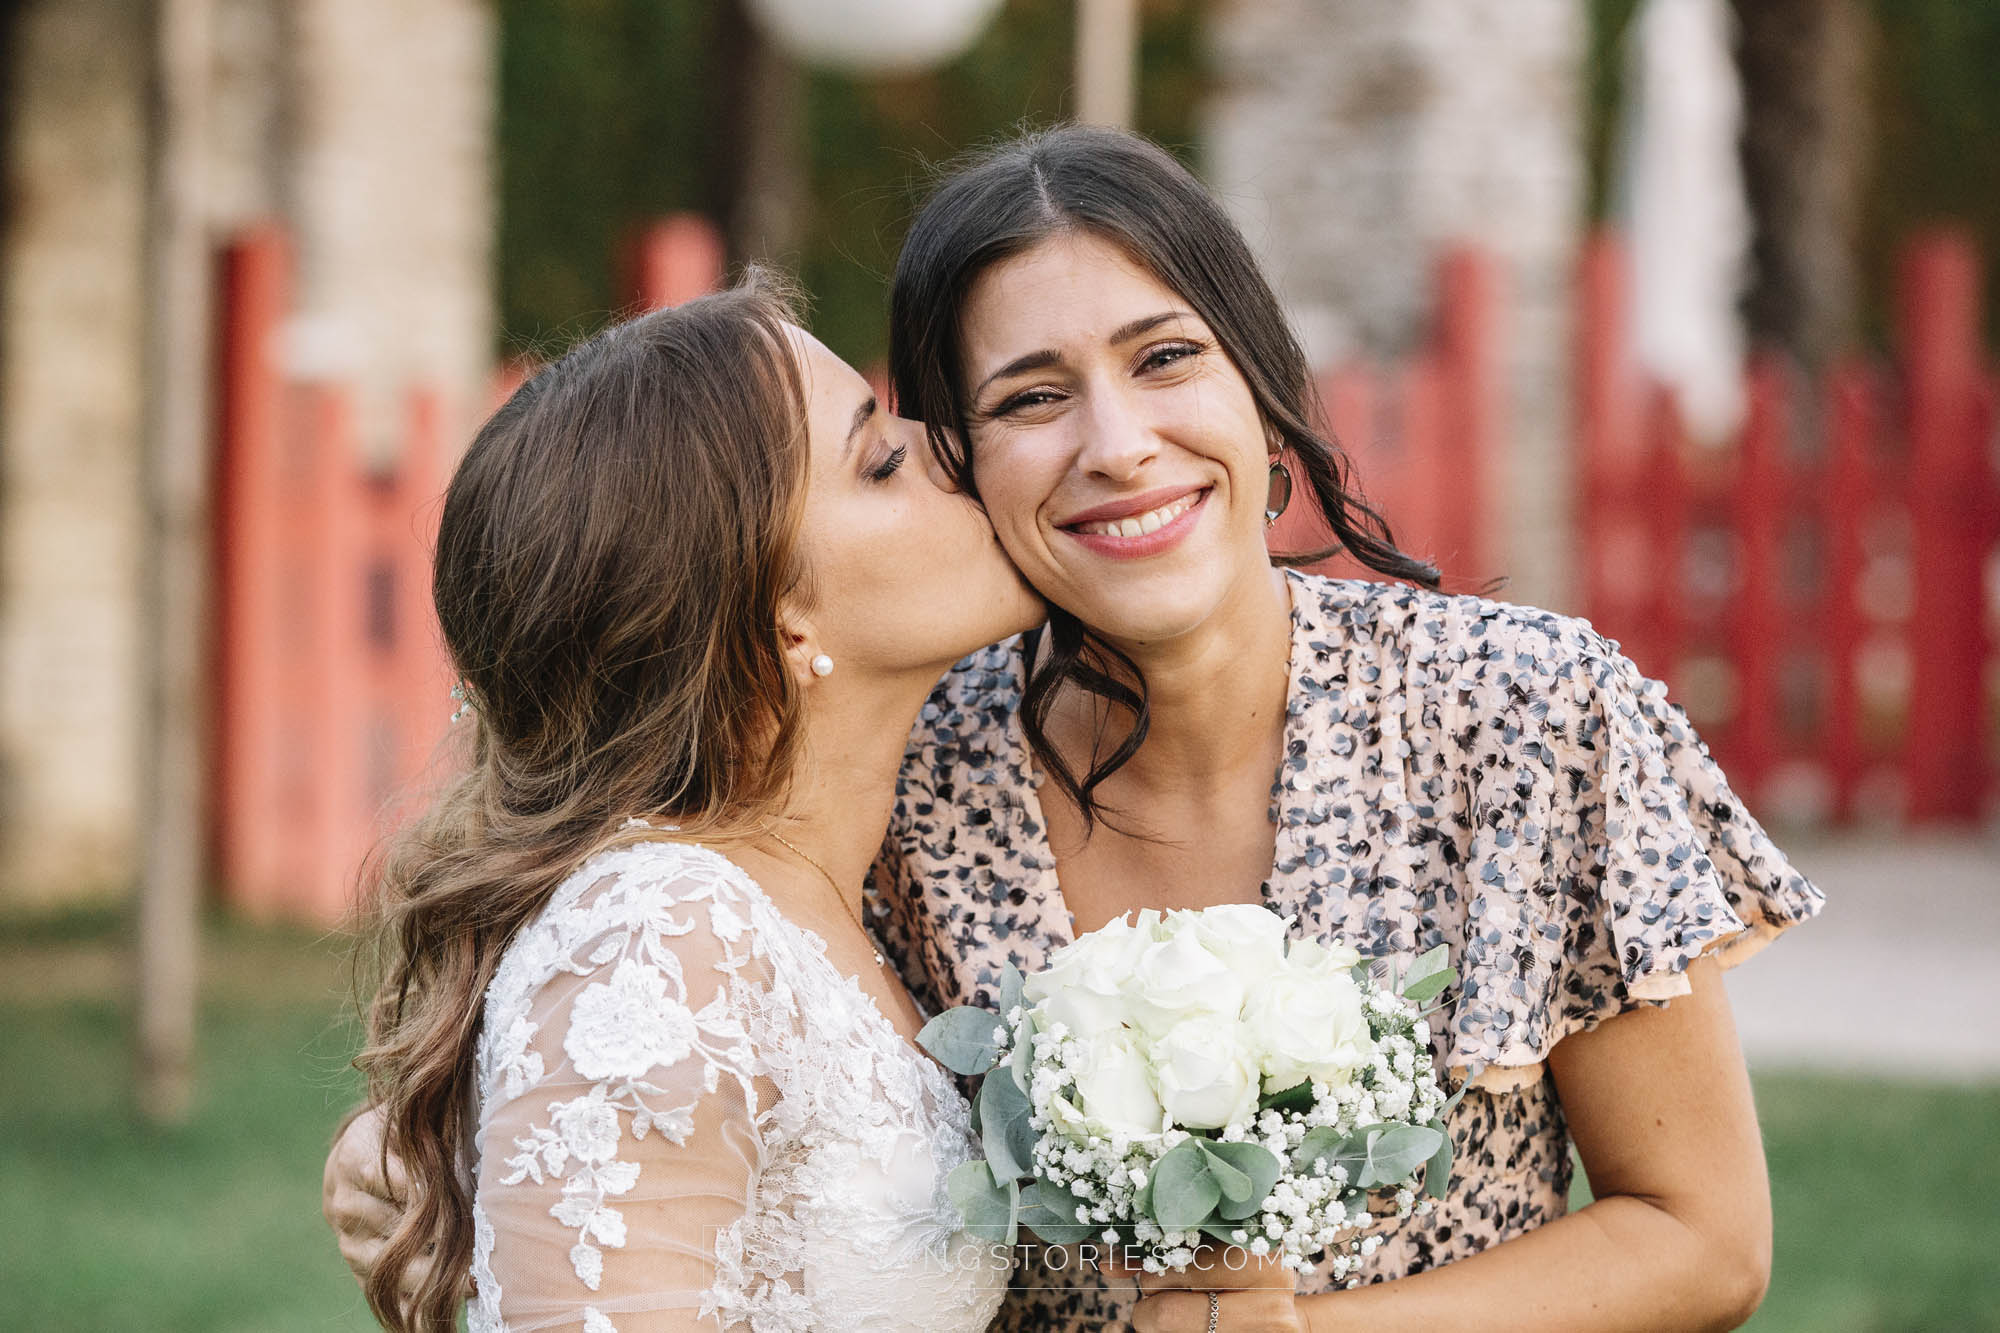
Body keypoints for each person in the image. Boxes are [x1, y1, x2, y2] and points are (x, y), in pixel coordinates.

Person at [330, 126, 1824, 1331]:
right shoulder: (904, 776)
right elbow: (660, 965)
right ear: (964, 456)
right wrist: (440, 1140)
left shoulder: (1528, 715)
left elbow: (1702, 1237)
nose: (1119, 445)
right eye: (1033, 396)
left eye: (1166, 358)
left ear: (1261, 382)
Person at [345, 274, 1042, 1332]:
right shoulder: (658, 939)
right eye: (882, 461)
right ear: (779, 620)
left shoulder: (833, 899)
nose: (950, 449)